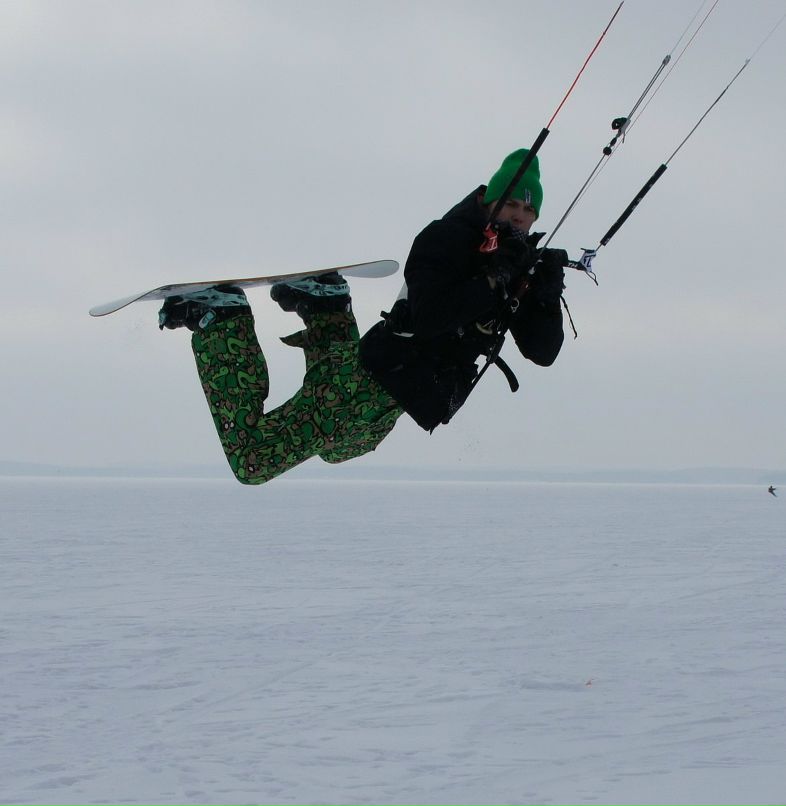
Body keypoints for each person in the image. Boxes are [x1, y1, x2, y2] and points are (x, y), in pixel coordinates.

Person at [157, 148, 568, 484]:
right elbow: (429, 317)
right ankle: (223, 322)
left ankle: (326, 307)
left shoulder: (518, 265)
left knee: (338, 449)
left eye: (527, 211)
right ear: (489, 200)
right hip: (377, 379)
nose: (518, 215)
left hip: (404, 398)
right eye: (510, 203)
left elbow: (542, 352)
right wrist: (493, 282)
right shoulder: (447, 239)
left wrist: (546, 294)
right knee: (253, 460)